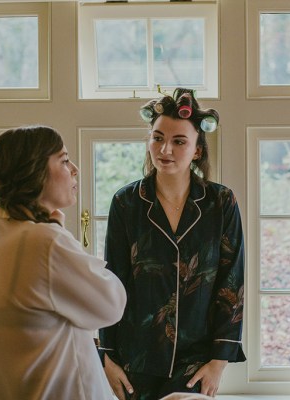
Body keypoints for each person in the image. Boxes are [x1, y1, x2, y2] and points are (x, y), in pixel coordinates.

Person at [0, 125, 127, 400]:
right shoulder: (44, 242)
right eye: (63, 160)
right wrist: (57, 231)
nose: (74, 168)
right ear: (34, 172)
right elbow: (111, 305)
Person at [99, 88, 245, 399]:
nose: (165, 149)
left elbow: (231, 280)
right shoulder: (126, 202)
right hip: (135, 358)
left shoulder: (221, 202)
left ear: (196, 151)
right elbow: (112, 280)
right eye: (157, 138)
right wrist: (107, 356)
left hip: (197, 361)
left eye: (179, 141)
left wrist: (219, 361)